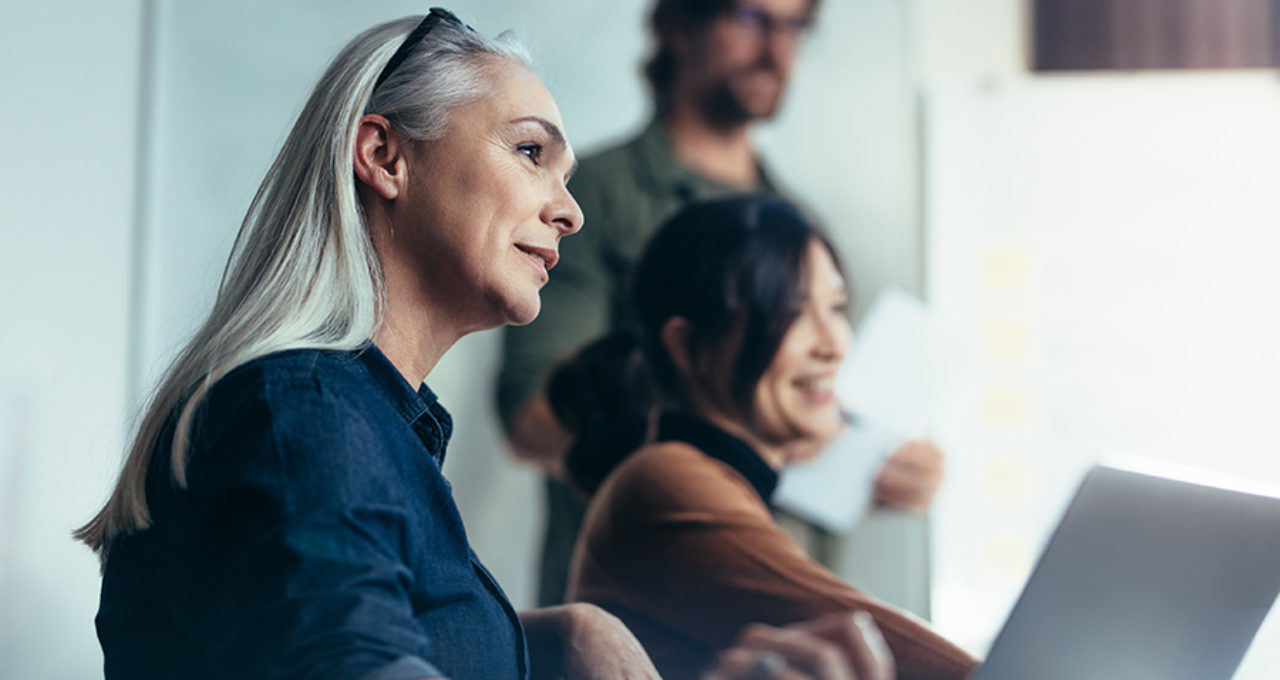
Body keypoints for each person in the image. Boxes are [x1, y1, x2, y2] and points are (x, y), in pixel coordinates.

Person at [73, 10, 894, 680]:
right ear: (383, 155)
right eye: (530, 152)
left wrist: (556, 637)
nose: (567, 211)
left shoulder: (371, 429)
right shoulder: (303, 417)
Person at [496, 0, 945, 608]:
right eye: (751, 18)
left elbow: (815, 410)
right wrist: (745, 426)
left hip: (794, 610)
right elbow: (534, 418)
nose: (776, 47)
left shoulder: (800, 222)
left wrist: (872, 461)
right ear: (679, 27)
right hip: (644, 614)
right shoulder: (591, 198)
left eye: (793, 25)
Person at [551, 196, 979, 680]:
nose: (834, 343)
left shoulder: (717, 481)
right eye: (792, 312)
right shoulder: (665, 480)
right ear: (689, 347)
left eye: (835, 307)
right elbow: (893, 649)